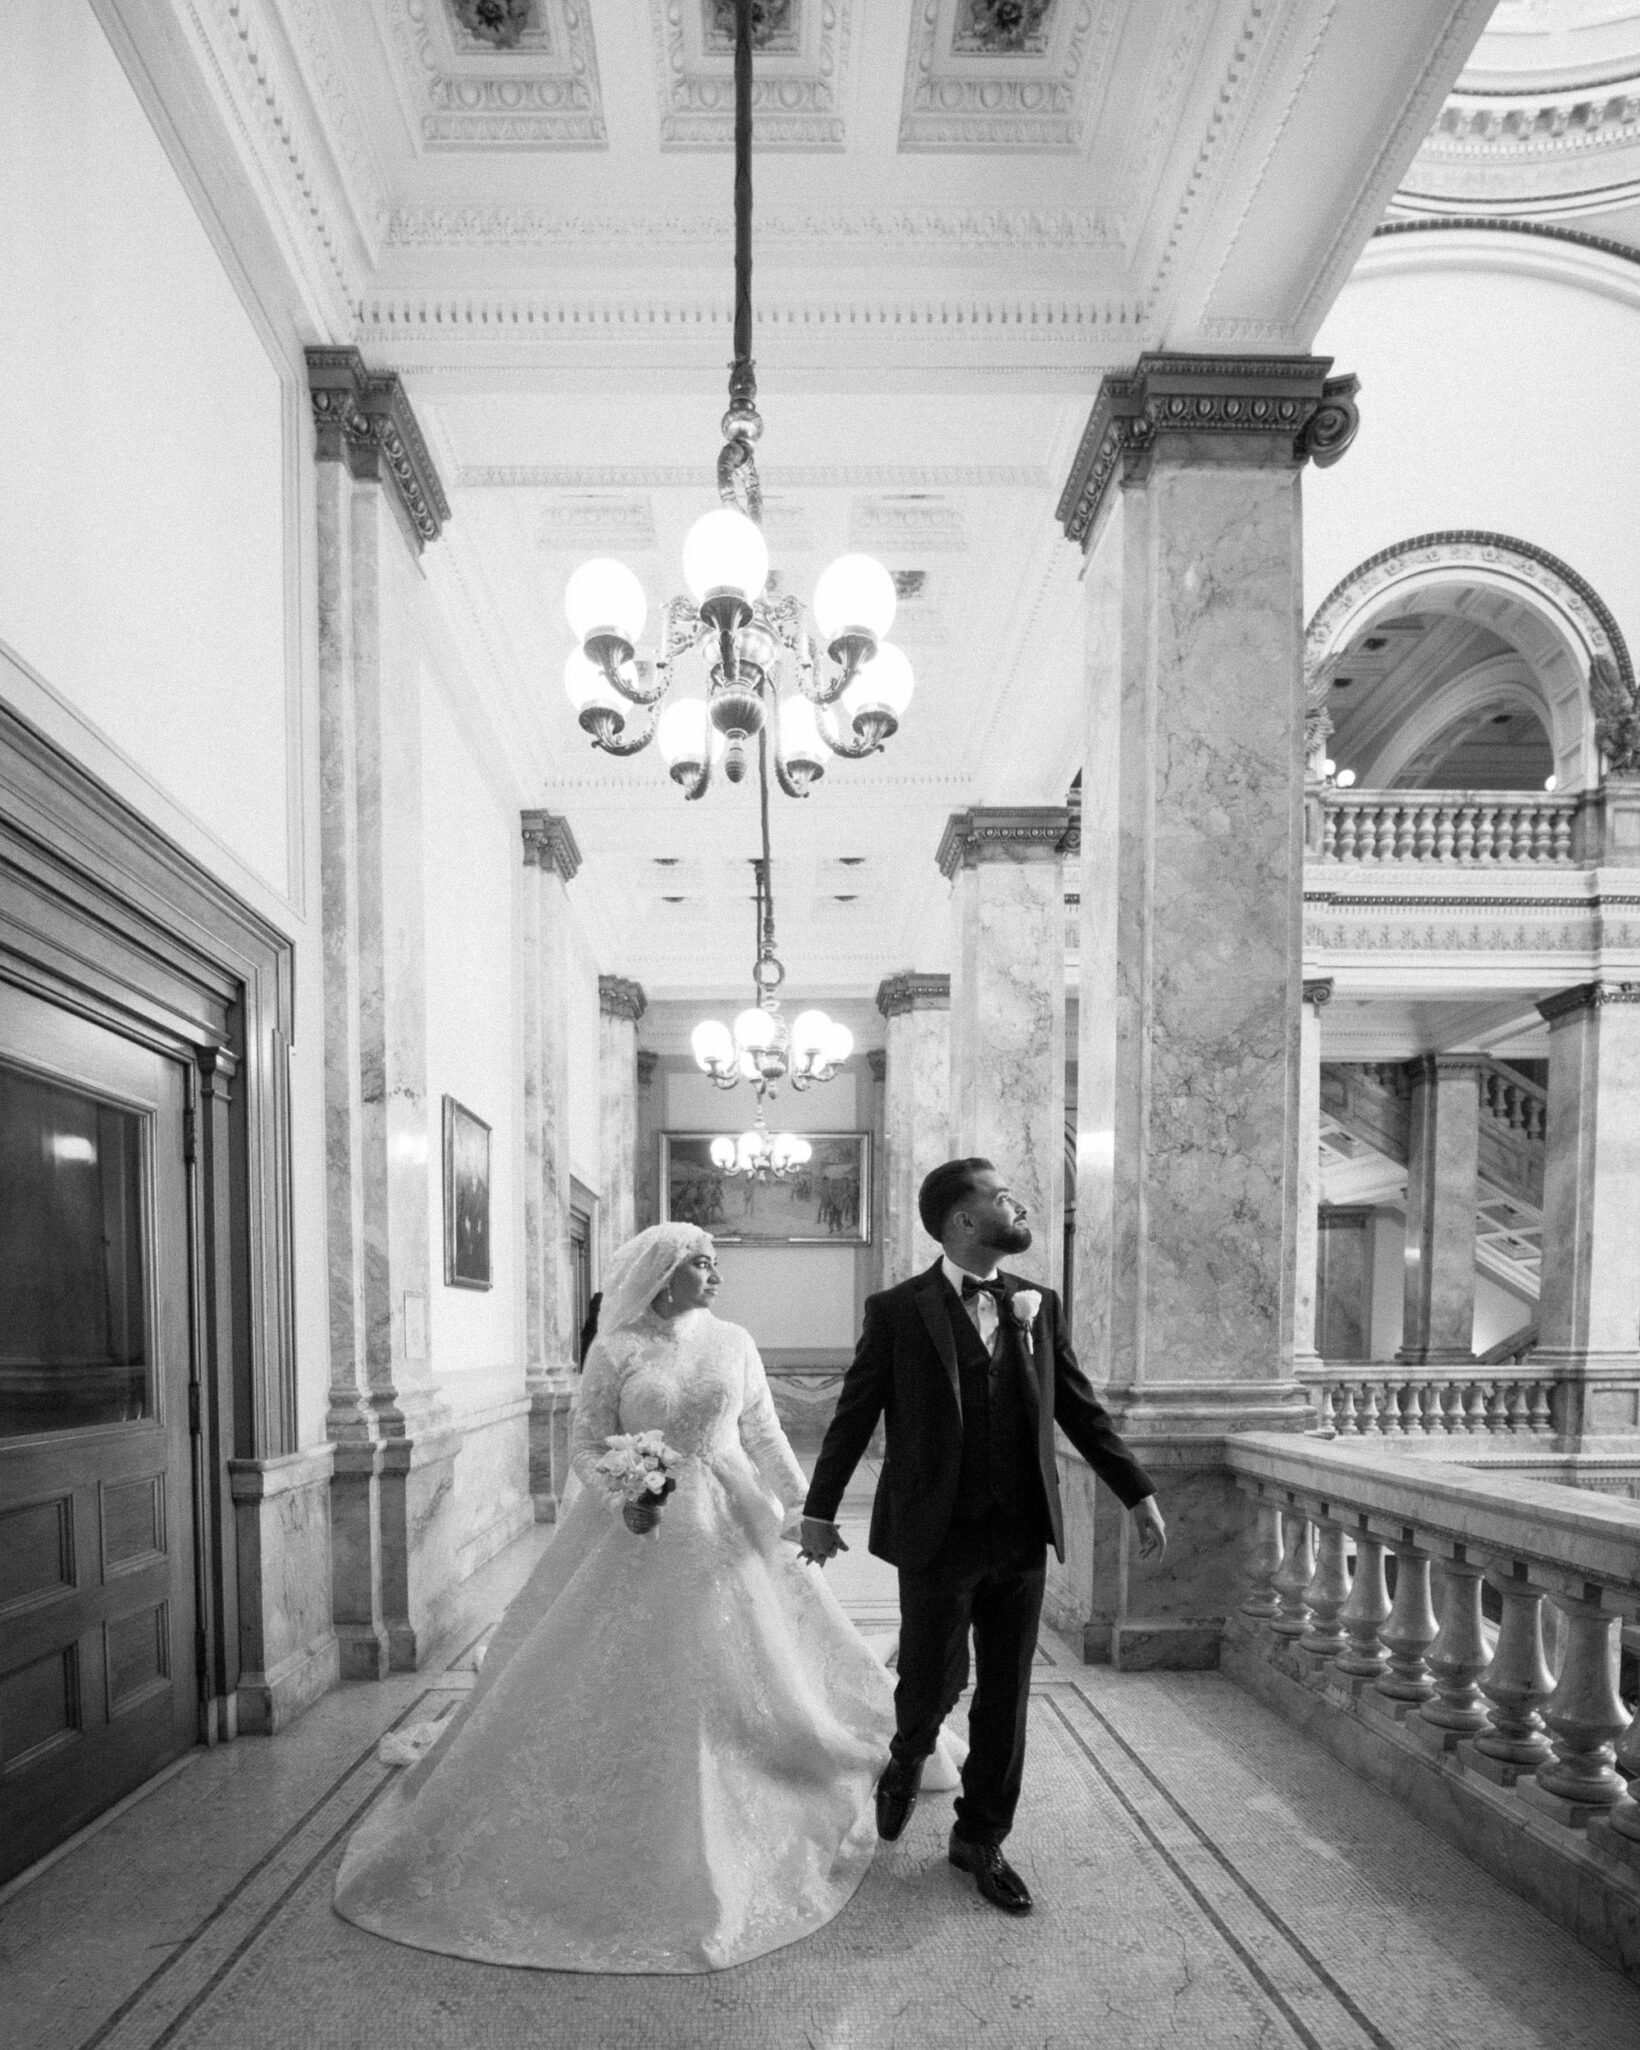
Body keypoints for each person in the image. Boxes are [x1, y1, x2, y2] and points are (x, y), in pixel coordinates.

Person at [332, 1222, 895, 1972]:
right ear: (664, 1274)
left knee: (745, 1661)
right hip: (638, 1530)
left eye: (715, 1264)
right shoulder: (615, 1348)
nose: (716, 1276)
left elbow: (762, 1433)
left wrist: (804, 1509)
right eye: (702, 1264)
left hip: (729, 1521)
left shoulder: (734, 1342)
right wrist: (628, 1493)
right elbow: (588, 1442)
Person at [801, 1158, 1168, 1917]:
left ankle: (980, 1838)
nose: (1021, 1206)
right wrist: (819, 1507)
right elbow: (853, 1416)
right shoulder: (898, 1311)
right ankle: (907, 1755)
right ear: (964, 1222)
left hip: (1022, 1535)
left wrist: (1136, 1491)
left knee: (1006, 1695)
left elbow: (1080, 1408)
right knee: (933, 1680)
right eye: (1004, 1198)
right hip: (937, 1534)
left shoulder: (1040, 1306)